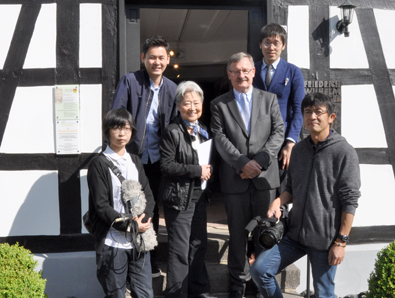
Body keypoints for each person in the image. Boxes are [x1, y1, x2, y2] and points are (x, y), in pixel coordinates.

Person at [250, 93, 361, 298]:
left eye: (319, 112)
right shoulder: (299, 150)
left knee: (324, 293)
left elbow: (350, 201)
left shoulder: (345, 152)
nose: (313, 116)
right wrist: (278, 200)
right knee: (259, 270)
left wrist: (341, 242)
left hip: (325, 240)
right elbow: (291, 188)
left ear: (331, 117)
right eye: (308, 112)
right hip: (295, 235)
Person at [210, 52, 285, 298]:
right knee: (238, 236)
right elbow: (220, 139)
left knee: (266, 235)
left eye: (246, 70)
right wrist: (242, 163)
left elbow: (278, 133)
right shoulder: (219, 104)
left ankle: (262, 284)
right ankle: (237, 287)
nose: (241, 75)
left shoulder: (269, 99)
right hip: (235, 182)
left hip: (265, 182)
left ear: (254, 71)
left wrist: (259, 162)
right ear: (229, 75)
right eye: (235, 71)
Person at [111, 35, 177, 276]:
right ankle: (126, 264)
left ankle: (150, 261)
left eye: (161, 57)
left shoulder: (172, 88)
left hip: (159, 159)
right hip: (132, 157)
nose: (156, 62)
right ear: (143, 58)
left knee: (151, 209)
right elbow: (117, 117)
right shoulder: (130, 81)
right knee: (126, 207)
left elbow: (175, 125)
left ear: (168, 60)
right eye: (152, 57)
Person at [87, 108, 155, 298]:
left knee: (145, 294)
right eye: (116, 128)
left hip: (138, 243)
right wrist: (131, 225)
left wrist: (144, 221)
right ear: (107, 131)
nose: (122, 133)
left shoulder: (135, 161)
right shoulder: (98, 164)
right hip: (112, 243)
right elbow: (101, 206)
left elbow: (148, 194)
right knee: (115, 294)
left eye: (126, 128)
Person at [160, 81, 216, 298]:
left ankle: (199, 290)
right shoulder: (172, 131)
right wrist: (197, 170)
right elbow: (166, 165)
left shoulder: (203, 130)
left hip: (199, 196)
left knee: (198, 245)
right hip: (179, 199)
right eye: (187, 103)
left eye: (196, 102)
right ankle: (177, 294)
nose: (192, 107)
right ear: (178, 106)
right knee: (179, 251)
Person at [253, 23, 305, 187]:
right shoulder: (251, 71)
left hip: (283, 141)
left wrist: (291, 141)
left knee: (283, 188)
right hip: (256, 139)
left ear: (283, 45)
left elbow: (299, 109)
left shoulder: (293, 71)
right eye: (267, 42)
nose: (271, 47)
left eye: (276, 42)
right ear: (260, 45)